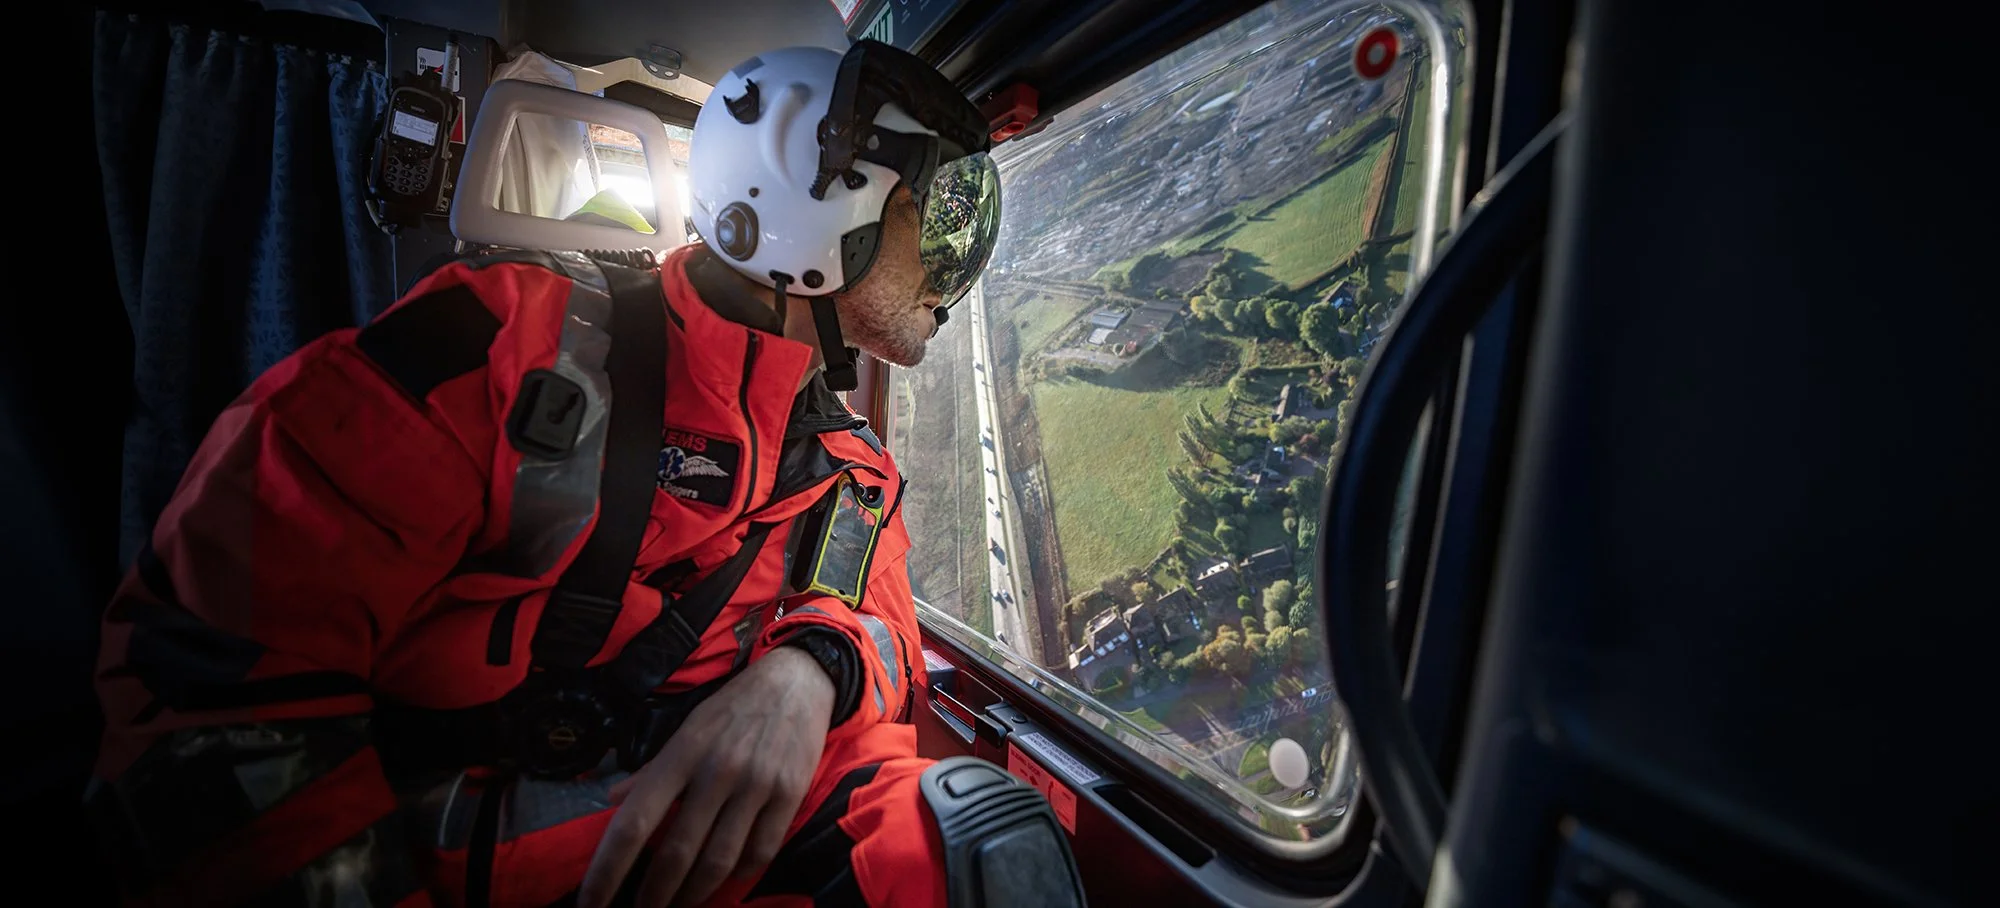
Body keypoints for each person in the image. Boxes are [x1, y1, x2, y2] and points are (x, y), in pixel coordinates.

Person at [86, 41, 1081, 908]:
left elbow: (886, 634)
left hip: (723, 866)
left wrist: (813, 667)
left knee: (982, 848)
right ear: (827, 205)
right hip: (425, 867)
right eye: (933, 220)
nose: (954, 262)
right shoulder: (501, 348)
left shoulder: (852, 472)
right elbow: (213, 673)